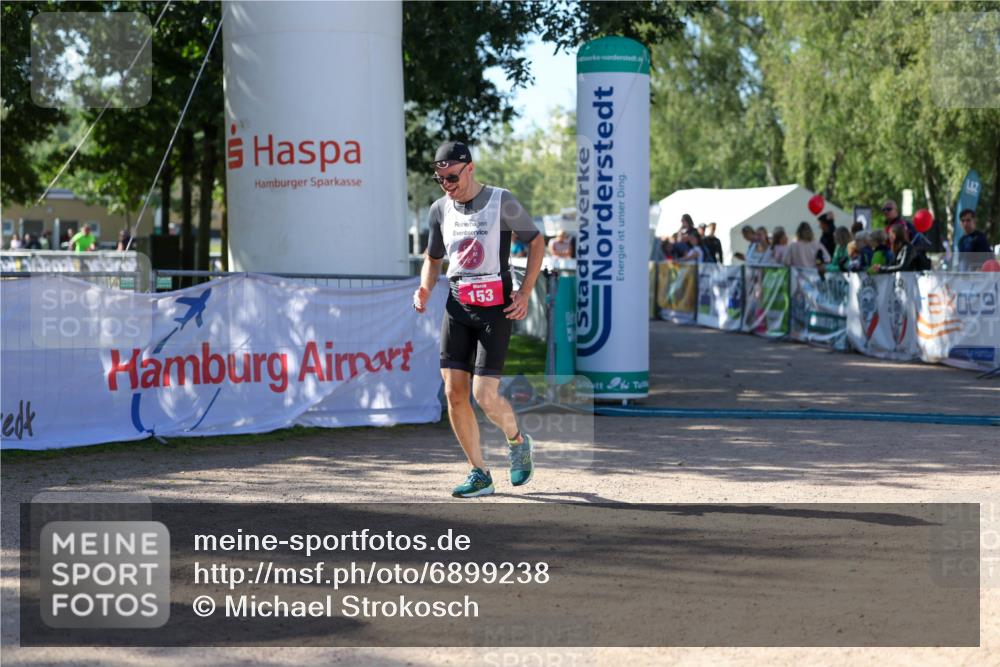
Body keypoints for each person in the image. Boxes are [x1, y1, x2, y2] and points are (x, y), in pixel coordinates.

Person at [412, 141, 544, 498]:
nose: (447, 185)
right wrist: (425, 289)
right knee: (455, 395)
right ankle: (479, 472)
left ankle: (517, 441)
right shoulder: (439, 209)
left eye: (452, 176)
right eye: (440, 179)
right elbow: (432, 258)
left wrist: (525, 292)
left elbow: (536, 242)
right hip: (458, 306)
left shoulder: (502, 200)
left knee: (484, 395)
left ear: (469, 168)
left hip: (495, 309)